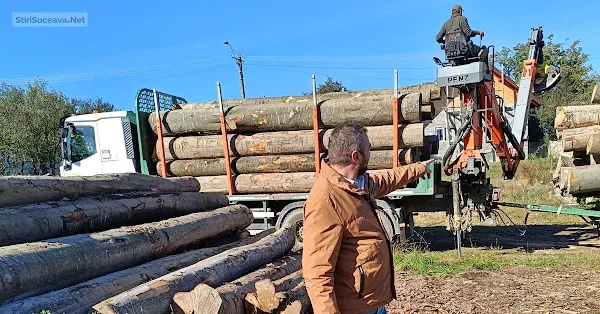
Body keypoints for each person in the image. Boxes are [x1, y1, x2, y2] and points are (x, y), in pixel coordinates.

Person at [302, 122, 432, 314]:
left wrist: (417, 169)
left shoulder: (357, 184)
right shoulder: (326, 200)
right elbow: (317, 272)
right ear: (356, 156)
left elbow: (387, 179)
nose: (371, 151)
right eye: (369, 148)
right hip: (355, 308)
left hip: (372, 302)